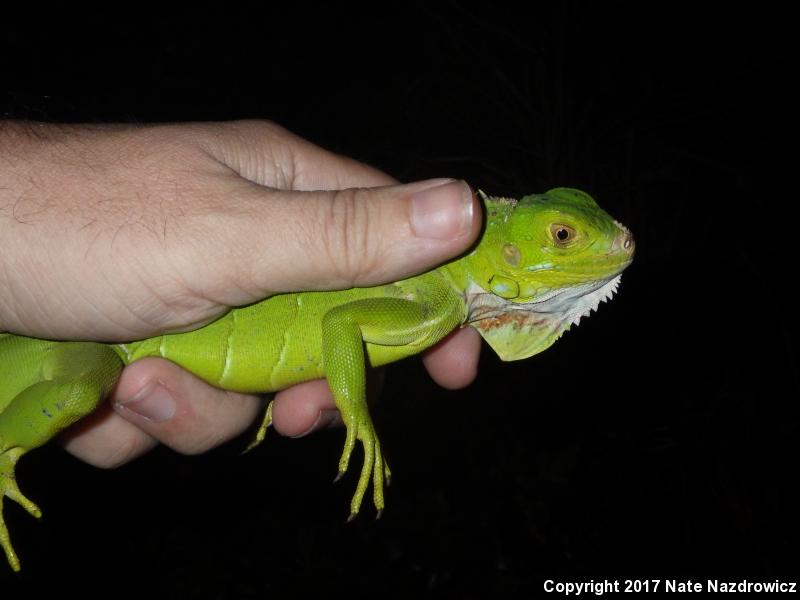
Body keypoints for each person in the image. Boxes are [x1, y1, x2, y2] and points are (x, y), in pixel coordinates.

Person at [0, 119, 482, 467]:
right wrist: (354, 410)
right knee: (77, 394)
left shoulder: (440, 299)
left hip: (97, 351)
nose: (563, 259)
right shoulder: (434, 301)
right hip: (85, 346)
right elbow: (341, 322)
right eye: (560, 239)